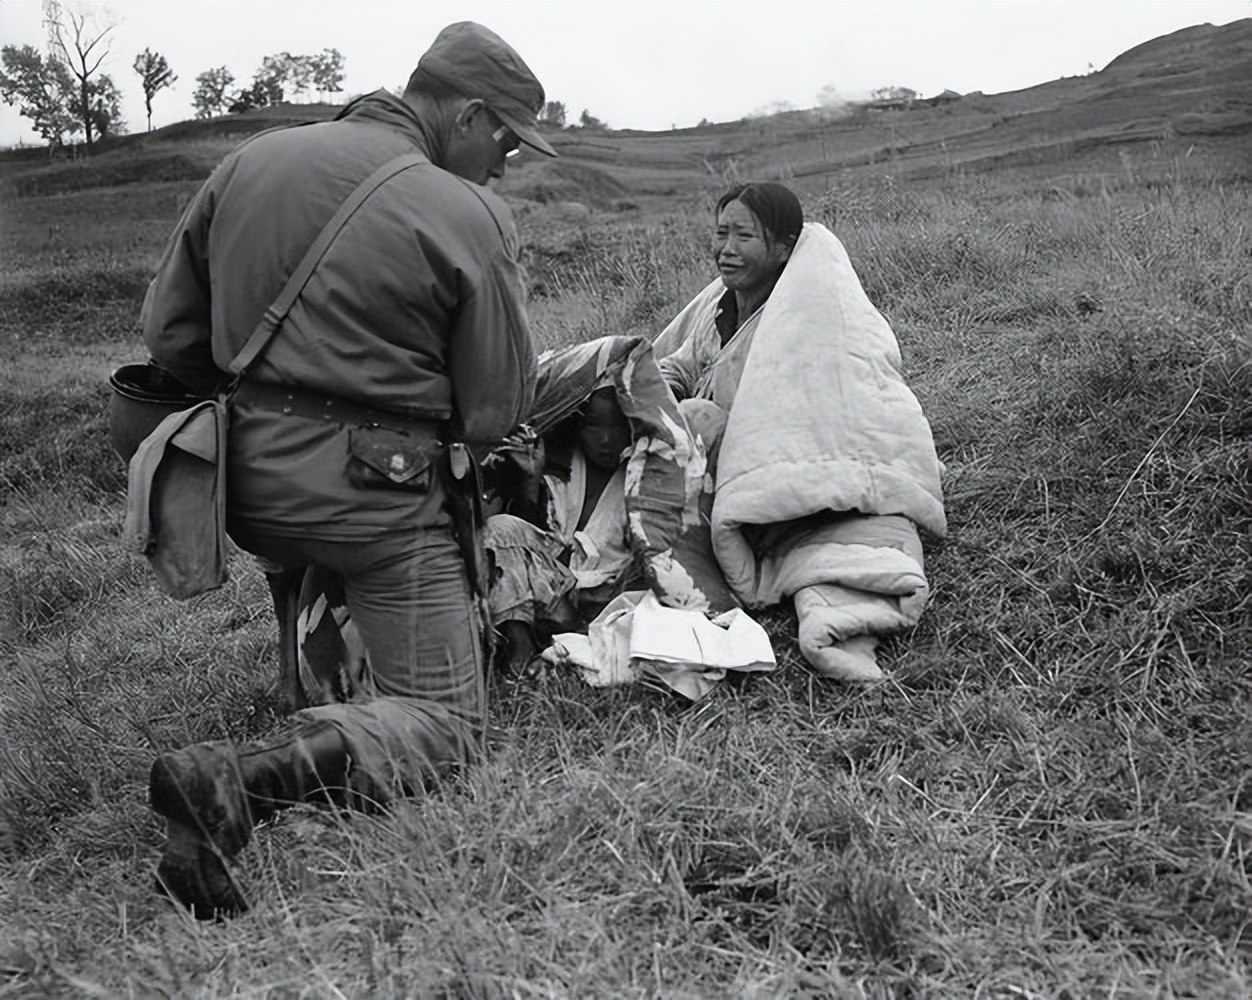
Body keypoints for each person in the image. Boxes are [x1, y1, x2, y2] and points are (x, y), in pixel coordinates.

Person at [138, 21, 554, 919]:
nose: (508, 161)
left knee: (316, 550)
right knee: (450, 724)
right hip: (373, 501)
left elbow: (170, 335)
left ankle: (311, 689)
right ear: (469, 113)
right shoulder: (467, 214)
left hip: (239, 491)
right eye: (507, 138)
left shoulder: (250, 161)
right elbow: (493, 413)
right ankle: (239, 783)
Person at [652, 182, 947, 682]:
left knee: (698, 419)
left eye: (744, 236)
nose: (726, 248)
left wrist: (706, 423)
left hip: (764, 461)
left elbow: (825, 405)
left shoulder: (806, 316)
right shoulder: (716, 306)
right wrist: (654, 390)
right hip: (710, 454)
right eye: (721, 233)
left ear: (783, 249)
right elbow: (680, 365)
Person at [485, 384, 640, 670]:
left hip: (601, 606)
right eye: (594, 426)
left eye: (618, 426)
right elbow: (524, 543)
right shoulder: (560, 464)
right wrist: (530, 480)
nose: (606, 439)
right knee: (499, 529)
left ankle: (562, 644)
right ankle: (520, 654)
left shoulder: (642, 477)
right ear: (579, 425)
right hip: (548, 591)